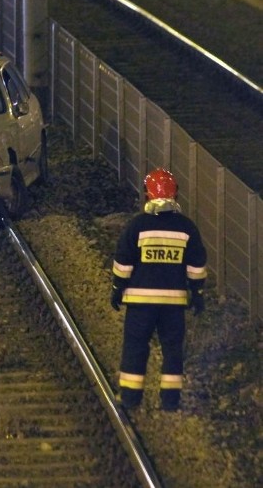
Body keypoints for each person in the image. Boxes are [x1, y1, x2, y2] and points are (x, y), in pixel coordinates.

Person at [110, 167, 207, 411]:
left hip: (140, 304)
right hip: (173, 304)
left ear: (147, 195)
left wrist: (117, 288)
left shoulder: (137, 226)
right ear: (176, 196)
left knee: (135, 347)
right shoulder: (187, 228)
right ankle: (170, 402)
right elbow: (197, 265)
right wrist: (197, 293)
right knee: (173, 349)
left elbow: (123, 262)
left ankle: (130, 399)